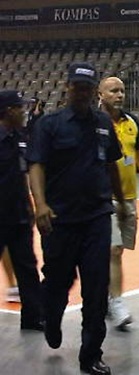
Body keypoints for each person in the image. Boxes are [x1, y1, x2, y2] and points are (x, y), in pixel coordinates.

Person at [26, 63, 124, 375]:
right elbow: (36, 165)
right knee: (57, 281)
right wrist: (40, 204)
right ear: (68, 87)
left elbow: (112, 164)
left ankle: (91, 355)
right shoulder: (49, 125)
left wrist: (120, 201)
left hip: (96, 216)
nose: (81, 91)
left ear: (94, 90)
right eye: (76, 86)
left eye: (87, 87)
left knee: (97, 288)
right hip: (59, 219)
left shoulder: (103, 124)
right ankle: (52, 316)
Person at [98, 76, 139, 330]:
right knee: (114, 251)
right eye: (113, 90)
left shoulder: (132, 123)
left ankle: (104, 298)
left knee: (118, 251)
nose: (120, 95)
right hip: (103, 198)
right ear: (100, 94)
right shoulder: (94, 124)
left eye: (122, 90)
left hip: (129, 197)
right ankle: (117, 303)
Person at [0, 89, 43, 331]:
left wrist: (32, 207)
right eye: (20, 107)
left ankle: (33, 317)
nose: (24, 111)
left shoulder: (21, 136)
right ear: (8, 111)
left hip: (19, 215)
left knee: (27, 267)